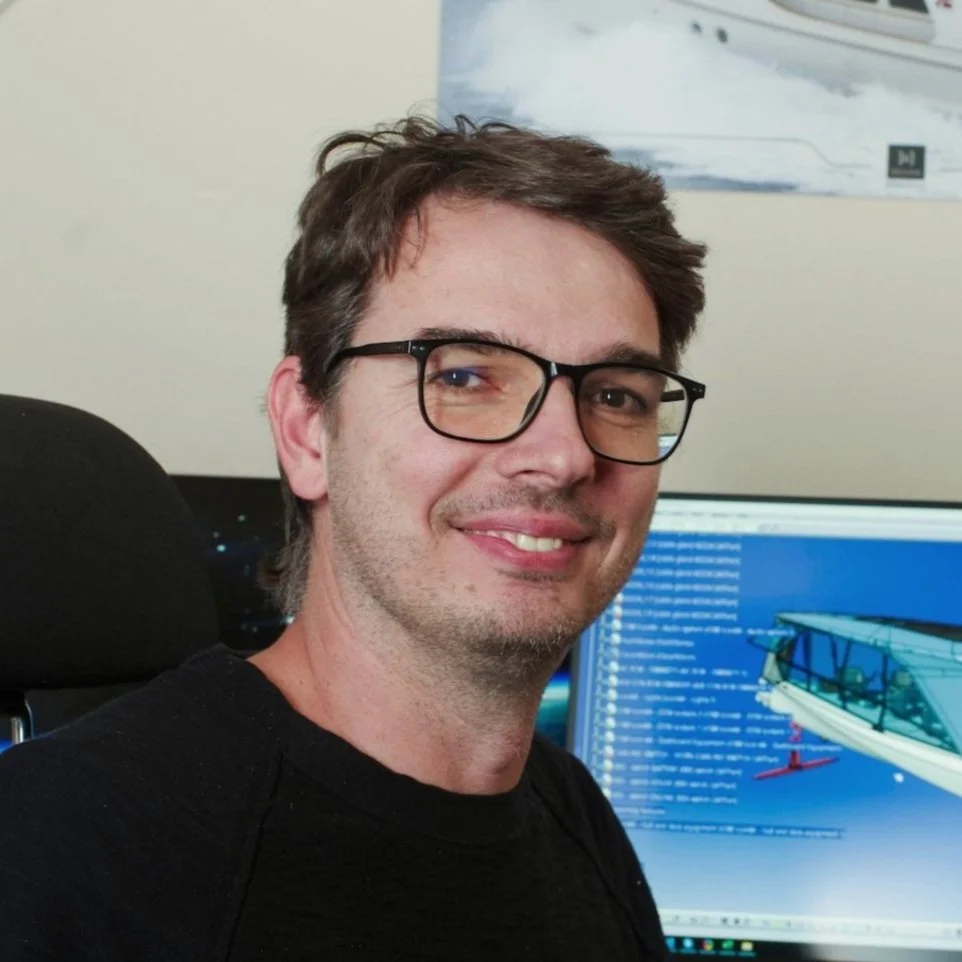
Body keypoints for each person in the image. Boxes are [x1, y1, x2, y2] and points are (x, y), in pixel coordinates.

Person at [0, 115, 707, 960]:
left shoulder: (571, 813)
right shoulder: (51, 854)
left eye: (617, 395)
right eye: (465, 374)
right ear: (306, 428)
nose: (563, 456)